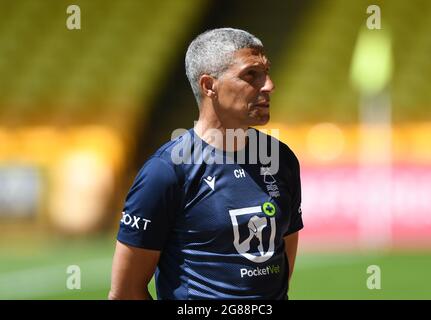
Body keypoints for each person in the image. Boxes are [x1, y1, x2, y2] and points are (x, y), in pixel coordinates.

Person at [109, 28, 303, 300]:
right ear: (209, 86)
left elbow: (281, 275)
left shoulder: (282, 160)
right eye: (251, 75)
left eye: (267, 72)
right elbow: (125, 293)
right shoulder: (166, 171)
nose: (269, 85)